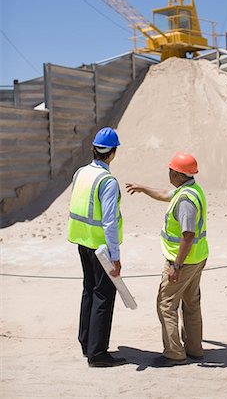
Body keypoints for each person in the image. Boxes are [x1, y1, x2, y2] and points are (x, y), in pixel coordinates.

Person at [126, 152, 208, 367]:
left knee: (166, 304)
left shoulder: (185, 201)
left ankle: (174, 353)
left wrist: (176, 265)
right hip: (198, 258)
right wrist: (143, 188)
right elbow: (164, 194)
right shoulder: (191, 189)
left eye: (171, 171)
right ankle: (194, 348)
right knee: (191, 303)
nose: (169, 174)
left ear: (179, 174)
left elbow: (187, 235)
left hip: (183, 261)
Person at [68, 127, 126, 368]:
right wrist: (115, 256)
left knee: (89, 290)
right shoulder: (107, 181)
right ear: (112, 153)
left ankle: (86, 343)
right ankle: (98, 354)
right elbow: (109, 222)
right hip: (101, 247)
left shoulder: (80, 173)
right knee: (103, 295)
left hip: (81, 241)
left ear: (93, 148)